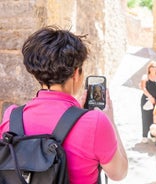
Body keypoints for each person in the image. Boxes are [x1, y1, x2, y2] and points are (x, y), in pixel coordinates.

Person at [0, 26, 128, 184]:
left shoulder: (12, 116)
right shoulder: (96, 122)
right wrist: (111, 122)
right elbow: (119, 173)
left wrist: (78, 115)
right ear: (76, 74)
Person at [140, 61, 156, 143]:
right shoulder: (145, 77)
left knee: (155, 118)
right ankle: (144, 135)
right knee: (145, 117)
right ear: (149, 68)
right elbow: (143, 88)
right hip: (147, 100)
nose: (154, 68)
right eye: (152, 67)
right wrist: (150, 97)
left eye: (155, 67)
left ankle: (153, 134)